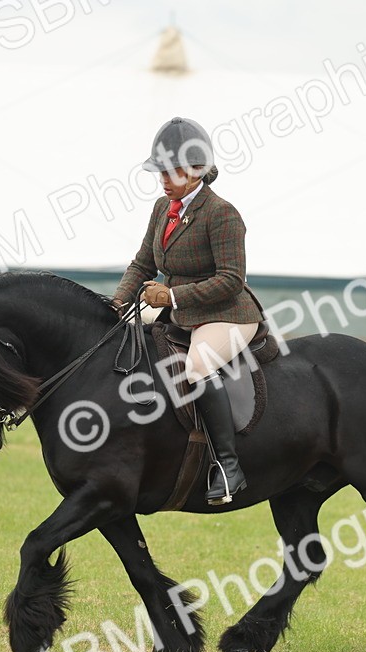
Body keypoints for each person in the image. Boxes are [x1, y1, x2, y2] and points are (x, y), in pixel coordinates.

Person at [112, 117, 266, 505]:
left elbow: (231, 279)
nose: (162, 178)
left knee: (197, 365)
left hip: (227, 314)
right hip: (176, 309)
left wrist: (173, 298)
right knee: (125, 340)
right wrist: (117, 304)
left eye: (170, 170)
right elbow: (143, 263)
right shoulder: (163, 208)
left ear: (195, 170)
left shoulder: (222, 214)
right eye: (159, 170)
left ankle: (228, 468)